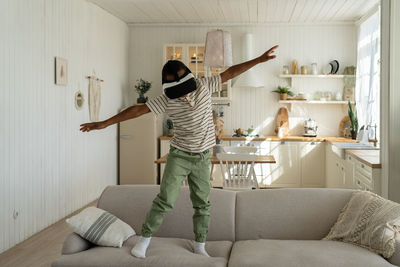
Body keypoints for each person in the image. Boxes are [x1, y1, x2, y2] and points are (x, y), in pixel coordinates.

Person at [80, 44, 278, 258]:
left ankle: (199, 244)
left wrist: (258, 60)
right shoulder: (166, 100)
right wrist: (105, 123)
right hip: (180, 156)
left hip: (203, 157)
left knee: (202, 204)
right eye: (178, 94)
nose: (183, 97)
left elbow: (230, 72)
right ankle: (145, 240)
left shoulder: (204, 86)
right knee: (165, 200)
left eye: (185, 92)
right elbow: (137, 110)